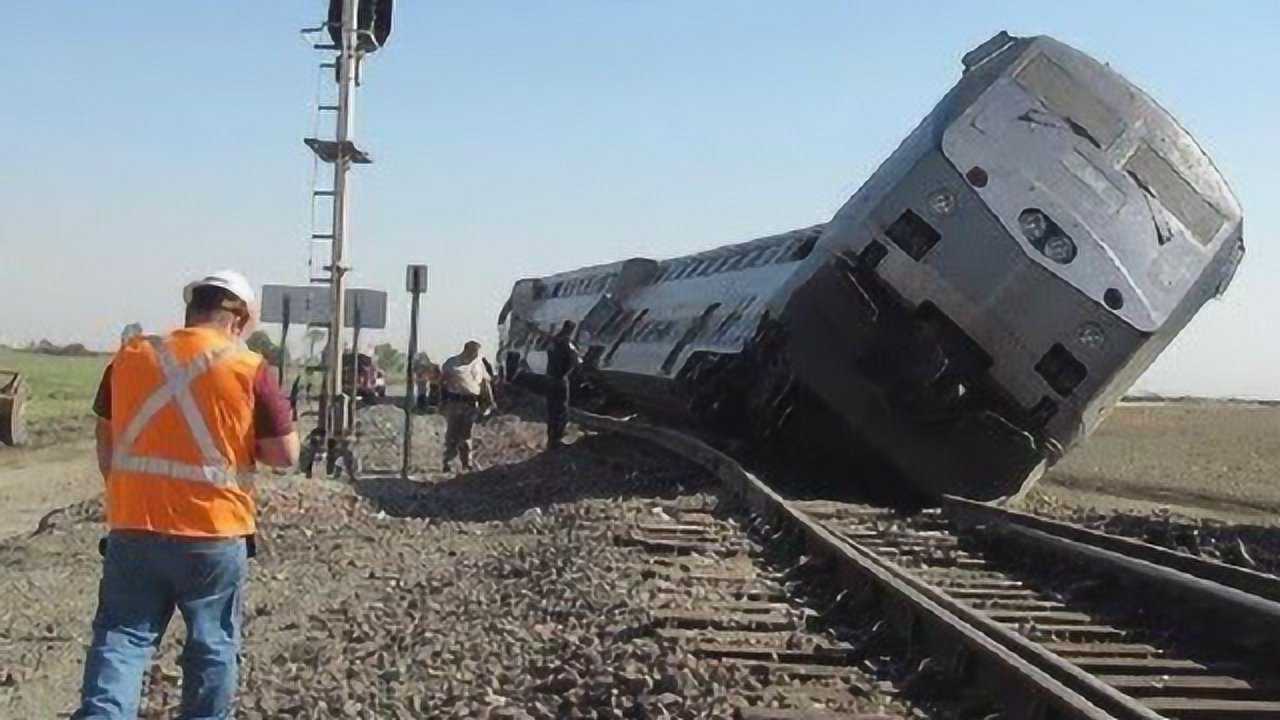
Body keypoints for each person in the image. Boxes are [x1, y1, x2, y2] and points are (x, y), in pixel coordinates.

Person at [73, 270, 300, 720]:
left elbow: (107, 439)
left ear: (191, 310)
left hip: (134, 527)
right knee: (212, 647)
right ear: (239, 319)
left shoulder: (131, 355)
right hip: (214, 533)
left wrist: (128, 493)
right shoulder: (248, 367)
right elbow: (285, 454)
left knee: (122, 639)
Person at [439, 340, 494, 472]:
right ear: (467, 350)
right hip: (454, 402)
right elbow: (442, 383)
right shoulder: (452, 364)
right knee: (452, 433)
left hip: (471, 403)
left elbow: (485, 385)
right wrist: (441, 402)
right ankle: (448, 462)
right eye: (474, 352)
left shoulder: (479, 366)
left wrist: (488, 403)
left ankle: (466, 463)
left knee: (466, 435)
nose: (476, 355)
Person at [545, 320, 581, 449]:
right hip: (560, 380)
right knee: (561, 409)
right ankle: (558, 438)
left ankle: (551, 438)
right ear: (571, 330)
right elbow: (575, 361)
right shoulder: (567, 344)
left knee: (552, 409)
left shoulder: (552, 342)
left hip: (550, 379)